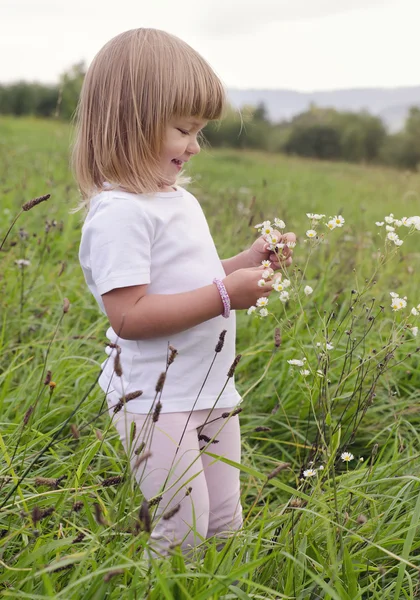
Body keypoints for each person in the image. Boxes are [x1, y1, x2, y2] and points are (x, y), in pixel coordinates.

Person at [73, 28, 295, 559]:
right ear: (130, 122)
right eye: (183, 129)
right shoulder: (120, 212)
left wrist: (244, 264)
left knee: (223, 525)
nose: (195, 146)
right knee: (182, 535)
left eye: (199, 131)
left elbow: (187, 276)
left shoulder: (174, 199)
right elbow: (129, 314)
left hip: (210, 390)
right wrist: (224, 294)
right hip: (154, 399)